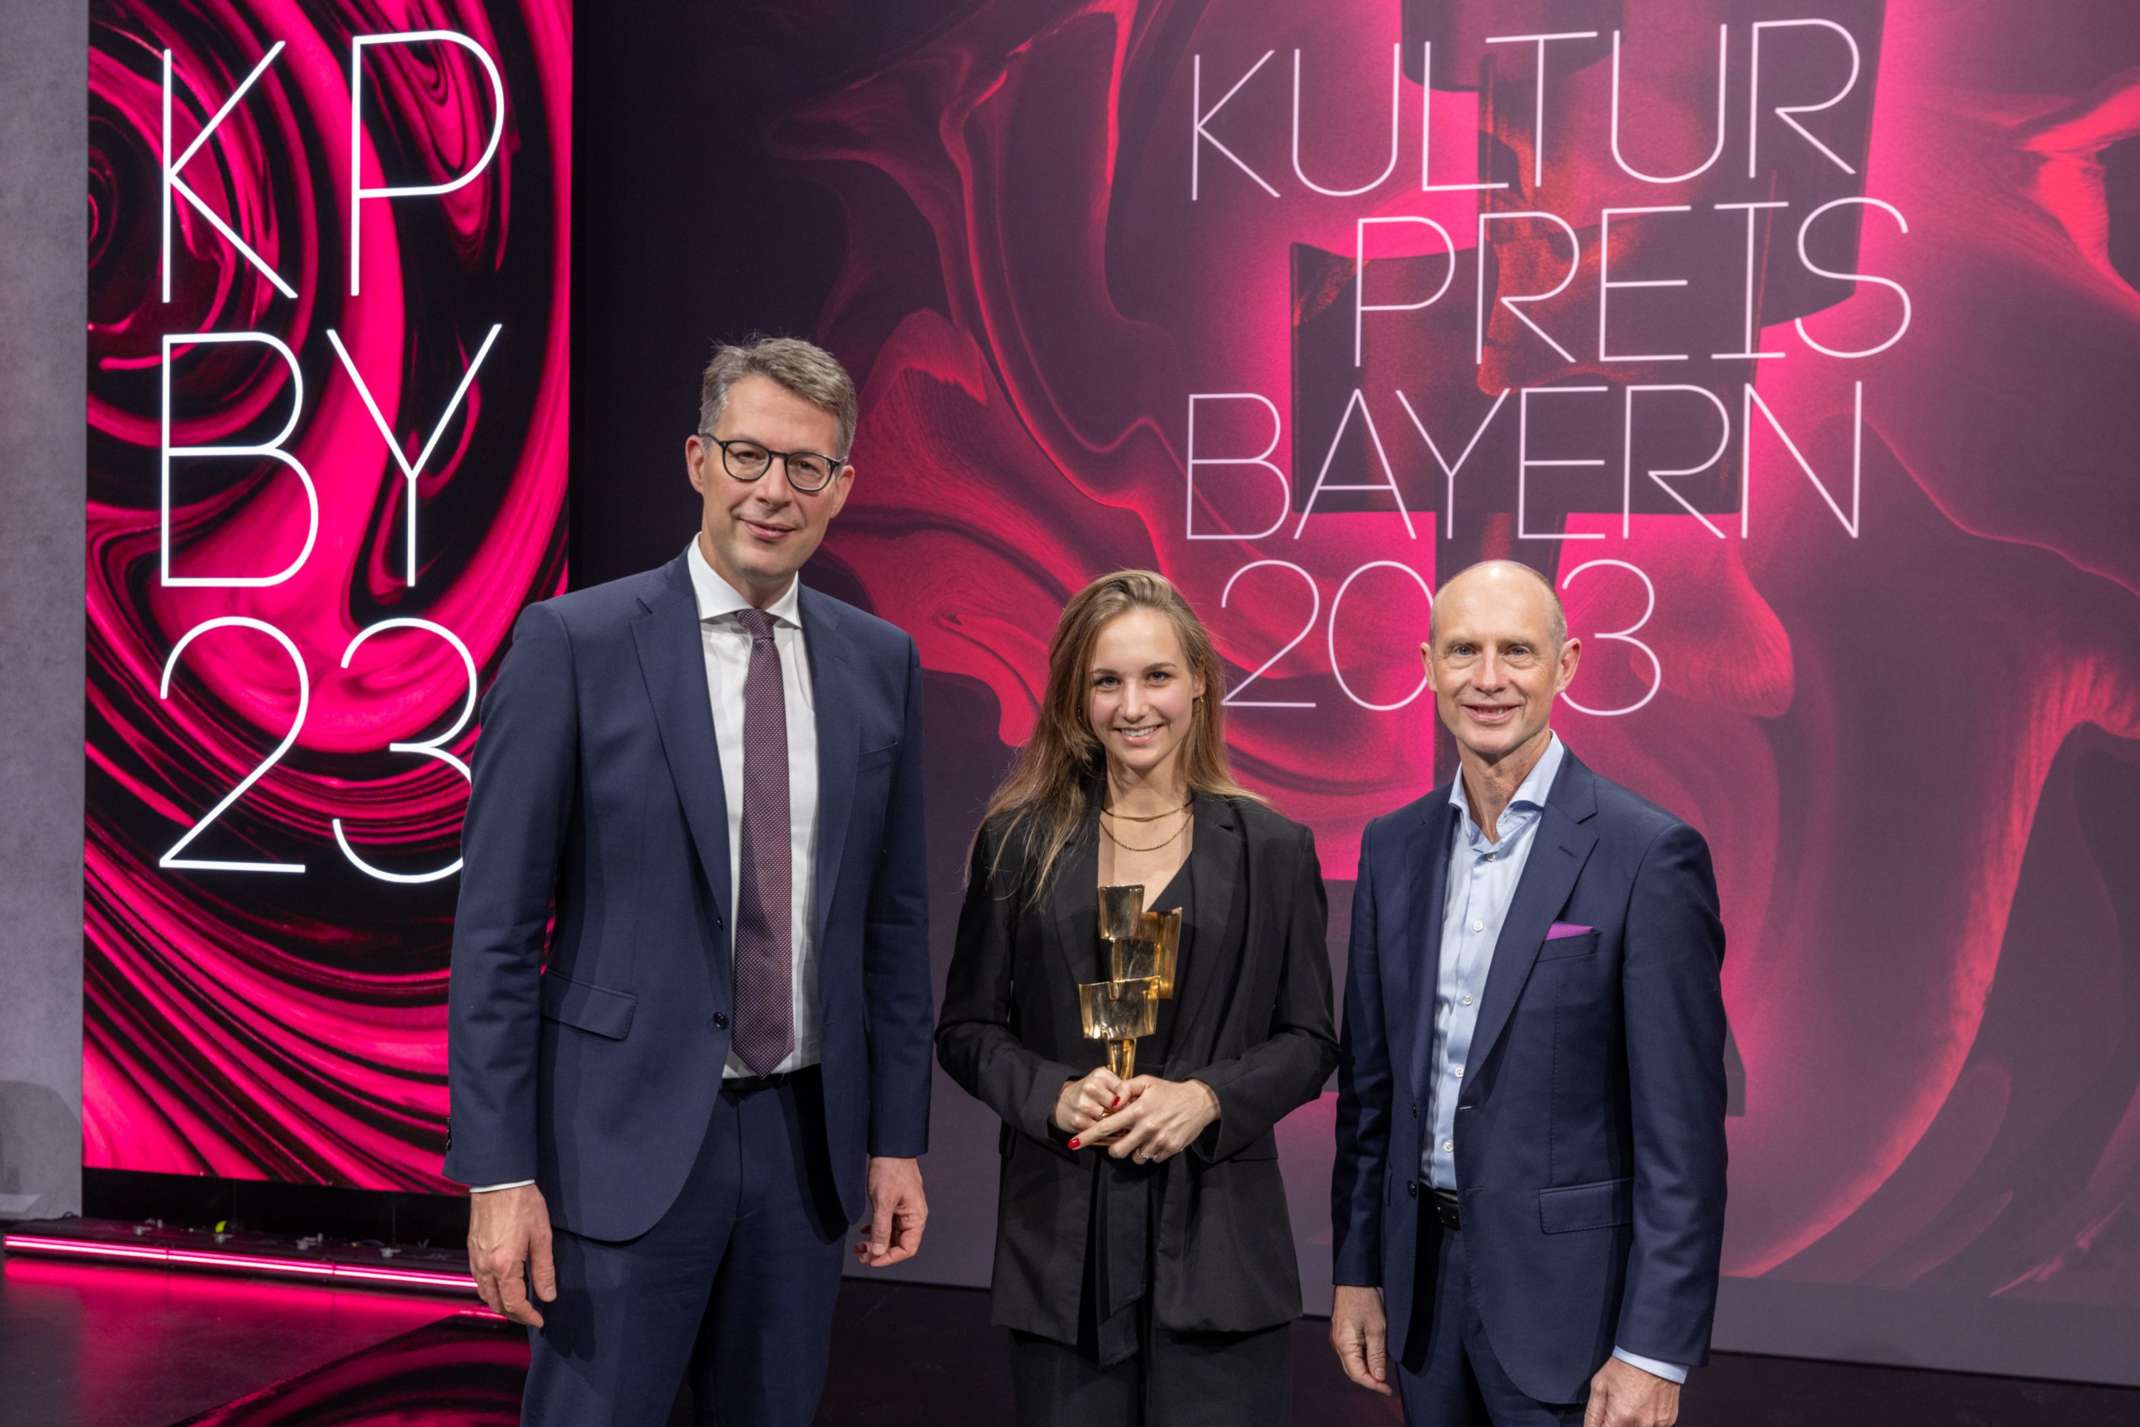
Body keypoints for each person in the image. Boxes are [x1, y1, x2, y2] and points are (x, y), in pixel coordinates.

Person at [444, 336, 934, 1426]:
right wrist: (498, 1172)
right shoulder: (573, 642)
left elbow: (893, 927)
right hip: (617, 1145)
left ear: (842, 486)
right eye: (748, 454)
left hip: (806, 1150)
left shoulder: (880, 662)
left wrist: (897, 1137)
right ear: (698, 458)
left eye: (805, 465)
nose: (773, 490)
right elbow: (495, 932)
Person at [1329, 560, 1727, 1427]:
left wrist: (1654, 1346)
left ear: (1566, 665)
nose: (1489, 678)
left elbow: (1683, 1138)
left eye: (1516, 651)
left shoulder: (1648, 853)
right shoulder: (1392, 848)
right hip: (1421, 1299)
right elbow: (1370, 1094)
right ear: (1428, 665)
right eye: (1463, 650)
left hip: (1574, 1317)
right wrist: (1357, 1270)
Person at [937, 569, 1337, 1427]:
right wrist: (1052, 1093)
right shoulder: (1020, 840)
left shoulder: (1273, 847)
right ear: (1076, 697)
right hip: (1062, 1254)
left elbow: (1311, 1039)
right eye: (1106, 681)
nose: (1133, 705)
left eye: (1156, 675)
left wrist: (1207, 1098)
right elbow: (966, 1028)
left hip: (1221, 1254)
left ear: (1199, 682)